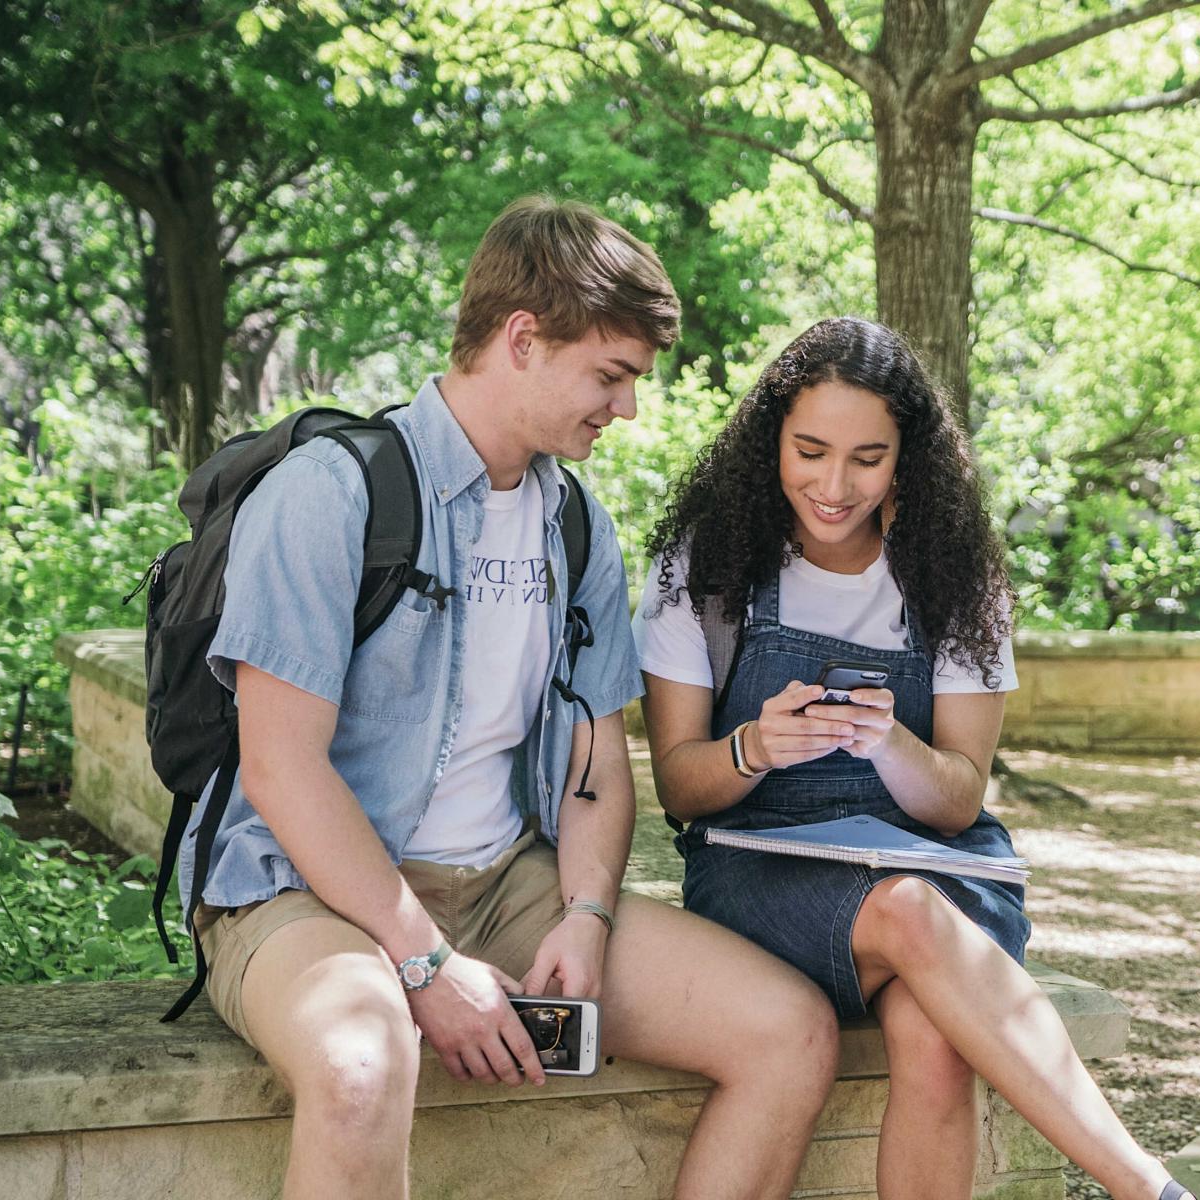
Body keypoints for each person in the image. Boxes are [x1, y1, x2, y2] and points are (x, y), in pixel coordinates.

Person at [191, 196, 839, 1200]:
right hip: (304, 893)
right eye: (612, 376)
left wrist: (583, 916)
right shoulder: (334, 492)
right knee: (363, 1069)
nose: (626, 408)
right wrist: (423, 963)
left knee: (789, 1033)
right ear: (524, 339)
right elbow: (280, 766)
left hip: (504, 883)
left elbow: (592, 762)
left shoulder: (575, 523)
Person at [637, 317, 1195, 1200]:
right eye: (810, 450)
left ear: (908, 458)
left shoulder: (953, 577)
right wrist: (753, 747)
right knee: (911, 915)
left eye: (867, 458)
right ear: (769, 439)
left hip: (928, 854)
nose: (833, 484)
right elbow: (679, 785)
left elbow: (958, 802)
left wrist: (891, 743)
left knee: (935, 1036)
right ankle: (1145, 1187)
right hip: (760, 866)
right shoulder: (705, 566)